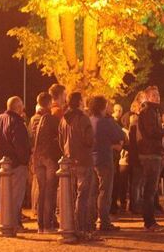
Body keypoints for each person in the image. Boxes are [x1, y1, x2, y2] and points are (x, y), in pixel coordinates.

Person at [58, 92, 98, 240]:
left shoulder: (64, 119)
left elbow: (61, 141)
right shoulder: (83, 118)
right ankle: (82, 228)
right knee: (84, 195)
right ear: (80, 102)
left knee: (71, 195)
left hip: (69, 160)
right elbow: (89, 140)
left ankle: (71, 224)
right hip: (83, 160)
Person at [88, 96, 125, 232]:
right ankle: (103, 221)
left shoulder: (89, 121)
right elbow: (120, 135)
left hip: (90, 160)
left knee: (92, 191)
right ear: (103, 107)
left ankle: (90, 220)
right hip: (104, 159)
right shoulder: (105, 122)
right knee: (105, 191)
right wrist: (114, 144)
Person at [0, 96, 31, 230]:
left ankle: (6, 220)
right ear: (18, 108)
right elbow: (20, 144)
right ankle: (14, 223)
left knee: (6, 194)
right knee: (16, 195)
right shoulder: (17, 122)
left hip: (3, 163)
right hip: (16, 163)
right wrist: (24, 160)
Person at [30, 92, 62, 233]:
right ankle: (48, 224)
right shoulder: (52, 119)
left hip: (38, 157)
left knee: (42, 190)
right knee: (50, 191)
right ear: (49, 103)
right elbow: (60, 138)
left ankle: (41, 225)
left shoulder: (35, 119)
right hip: (50, 157)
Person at [136, 86, 164, 231]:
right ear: (147, 97)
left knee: (151, 189)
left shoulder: (153, 111)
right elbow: (151, 132)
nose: (157, 97)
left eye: (158, 94)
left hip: (152, 153)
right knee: (150, 189)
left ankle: (150, 221)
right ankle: (149, 222)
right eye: (154, 95)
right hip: (150, 154)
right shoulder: (148, 112)